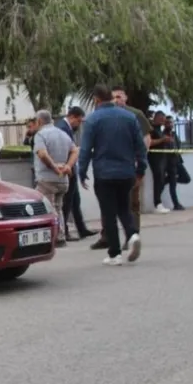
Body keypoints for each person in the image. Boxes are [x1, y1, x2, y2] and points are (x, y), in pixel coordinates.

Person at [78, 85, 146, 266]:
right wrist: (141, 169)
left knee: (108, 213)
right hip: (126, 172)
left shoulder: (93, 120)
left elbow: (85, 149)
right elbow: (140, 146)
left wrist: (82, 171)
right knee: (124, 207)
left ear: (96, 99)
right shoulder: (130, 117)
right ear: (111, 97)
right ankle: (132, 235)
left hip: (104, 173)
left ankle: (114, 254)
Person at [90, 86, 153, 250]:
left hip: (130, 166)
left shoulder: (135, 115)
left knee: (131, 203)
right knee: (109, 204)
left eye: (119, 96)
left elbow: (145, 140)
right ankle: (108, 237)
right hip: (109, 169)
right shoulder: (103, 117)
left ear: (125, 98)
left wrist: (141, 163)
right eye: (114, 96)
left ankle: (132, 236)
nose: (117, 99)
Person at [32, 110, 78, 247]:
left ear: (39, 121)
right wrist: (68, 166)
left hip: (46, 179)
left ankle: (50, 237)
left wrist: (54, 167)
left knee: (47, 208)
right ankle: (60, 236)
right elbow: (75, 150)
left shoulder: (40, 135)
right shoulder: (63, 134)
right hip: (63, 180)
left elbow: (42, 154)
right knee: (58, 207)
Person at [56, 106, 96, 241]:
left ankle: (82, 229)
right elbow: (65, 150)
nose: (79, 124)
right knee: (67, 202)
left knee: (75, 201)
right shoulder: (62, 128)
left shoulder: (66, 127)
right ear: (72, 117)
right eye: (78, 121)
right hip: (68, 170)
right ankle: (65, 231)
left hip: (71, 169)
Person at [148, 111, 172, 214]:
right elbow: (149, 142)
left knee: (161, 180)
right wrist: (162, 139)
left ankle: (158, 202)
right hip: (154, 158)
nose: (163, 121)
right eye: (162, 119)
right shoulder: (151, 129)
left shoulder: (160, 129)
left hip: (162, 158)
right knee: (158, 179)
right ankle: (157, 204)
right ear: (157, 118)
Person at [162, 116, 184, 210]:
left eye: (171, 122)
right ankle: (176, 204)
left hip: (177, 161)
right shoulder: (163, 135)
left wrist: (179, 150)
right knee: (173, 186)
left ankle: (166, 180)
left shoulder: (174, 134)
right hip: (169, 163)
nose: (170, 124)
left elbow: (179, 145)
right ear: (165, 124)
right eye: (167, 123)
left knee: (186, 178)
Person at [22, 118, 37, 187]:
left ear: (35, 125)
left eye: (30, 127)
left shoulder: (38, 136)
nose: (28, 129)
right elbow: (25, 148)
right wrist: (27, 137)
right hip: (34, 164)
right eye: (28, 127)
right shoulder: (32, 136)